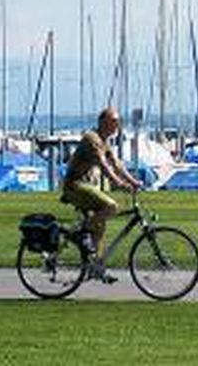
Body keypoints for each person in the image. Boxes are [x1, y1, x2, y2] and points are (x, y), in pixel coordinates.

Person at [62, 107, 142, 283]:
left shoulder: (104, 141)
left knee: (100, 226)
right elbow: (104, 165)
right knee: (111, 207)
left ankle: (95, 267)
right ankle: (79, 232)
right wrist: (118, 183)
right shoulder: (92, 138)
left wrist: (133, 181)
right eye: (114, 121)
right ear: (103, 122)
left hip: (88, 187)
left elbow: (116, 164)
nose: (118, 125)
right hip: (75, 185)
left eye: (118, 121)